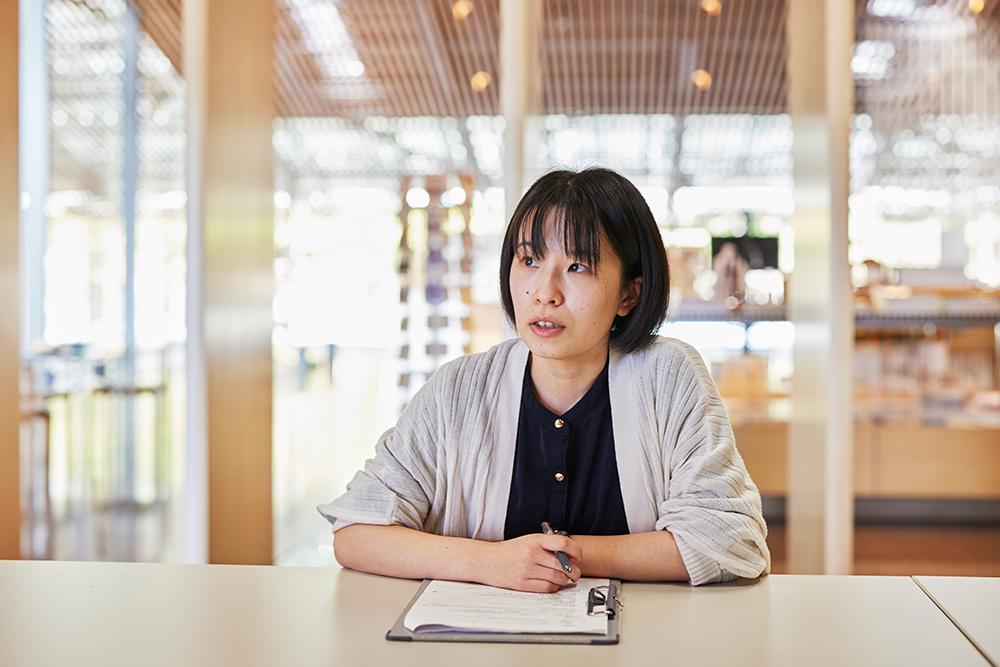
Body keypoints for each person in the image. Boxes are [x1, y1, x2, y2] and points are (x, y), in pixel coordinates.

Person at [319, 168, 770, 592]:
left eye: (578, 267)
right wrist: (489, 562)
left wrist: (564, 557)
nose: (544, 292)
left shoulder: (667, 377)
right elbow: (357, 533)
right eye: (530, 259)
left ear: (628, 294)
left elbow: (732, 540)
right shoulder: (459, 390)